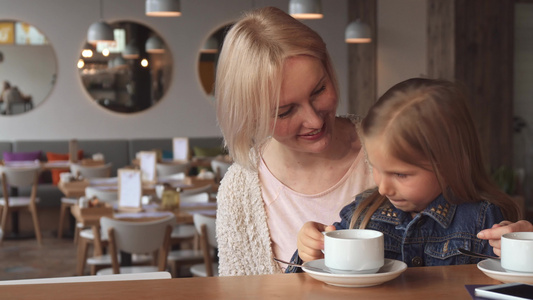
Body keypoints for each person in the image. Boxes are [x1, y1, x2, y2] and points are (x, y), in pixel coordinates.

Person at [295, 78, 527, 268]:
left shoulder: (484, 222)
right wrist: (308, 253)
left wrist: (524, 251)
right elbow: (309, 280)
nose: (384, 188)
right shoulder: (362, 216)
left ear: (447, 165)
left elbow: (511, 288)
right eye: (376, 168)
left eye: (400, 175)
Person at [214, 6, 375, 276]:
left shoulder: (388, 146)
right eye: (285, 111)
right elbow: (238, 291)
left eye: (319, 90)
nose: (314, 120)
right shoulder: (239, 191)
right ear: (251, 115)